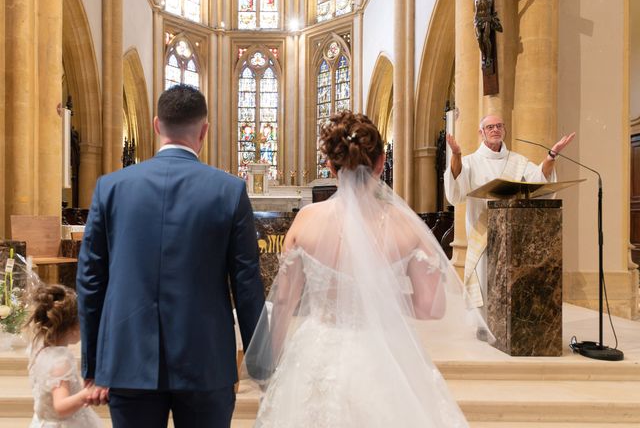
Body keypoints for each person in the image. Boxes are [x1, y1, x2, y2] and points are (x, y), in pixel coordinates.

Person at [244, 111, 490, 427]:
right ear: (381, 162)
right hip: (384, 352)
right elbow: (431, 309)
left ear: (330, 165)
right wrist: (384, 300)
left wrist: (271, 366)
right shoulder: (406, 227)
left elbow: (283, 302)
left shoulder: (306, 221)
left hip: (317, 351)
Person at [76, 84, 265, 428]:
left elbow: (90, 280)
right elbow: (247, 284)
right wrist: (261, 364)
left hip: (128, 357)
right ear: (204, 131)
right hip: (206, 361)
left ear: (155, 125)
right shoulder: (229, 191)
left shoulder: (111, 187)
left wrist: (93, 363)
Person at [444, 114, 575, 320]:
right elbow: (456, 190)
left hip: (513, 232)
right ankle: (484, 323)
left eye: (498, 126)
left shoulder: (517, 161)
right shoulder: (470, 161)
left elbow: (539, 181)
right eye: (490, 127)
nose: (495, 130)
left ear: (504, 130)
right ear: (482, 133)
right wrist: (457, 155)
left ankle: (509, 322)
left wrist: (551, 156)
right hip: (482, 232)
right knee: (484, 276)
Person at [26, 284, 102, 428]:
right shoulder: (60, 361)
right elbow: (61, 407)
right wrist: (87, 393)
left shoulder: (39, 350)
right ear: (73, 327)